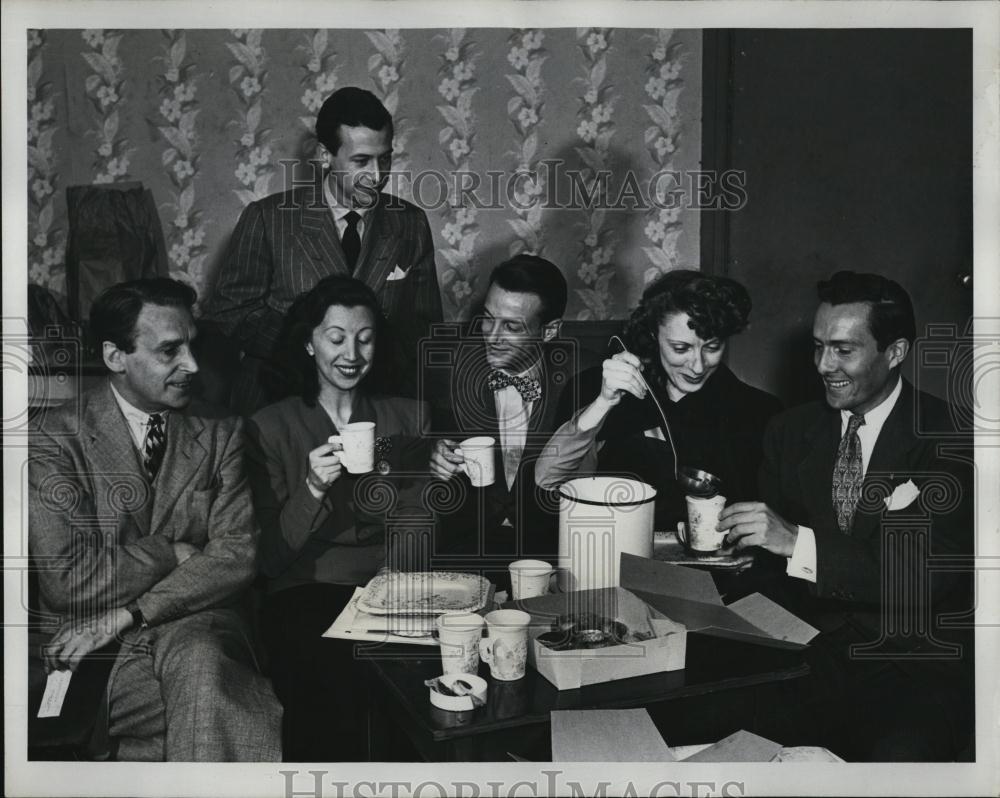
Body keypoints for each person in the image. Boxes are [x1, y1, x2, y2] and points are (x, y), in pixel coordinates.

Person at [717, 271, 974, 761]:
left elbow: (921, 575)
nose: (822, 365)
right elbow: (770, 575)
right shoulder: (788, 431)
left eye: (842, 350)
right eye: (817, 347)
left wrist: (797, 543)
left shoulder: (954, 437)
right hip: (807, 659)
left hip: (912, 670)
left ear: (895, 352)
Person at [28, 278, 282, 762]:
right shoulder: (53, 439)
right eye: (171, 351)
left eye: (193, 345)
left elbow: (236, 557)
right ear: (114, 356)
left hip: (198, 624)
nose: (192, 365)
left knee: (204, 667)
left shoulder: (222, 431)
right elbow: (66, 581)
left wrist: (131, 611)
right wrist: (172, 551)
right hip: (94, 650)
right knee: (215, 701)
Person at [244, 275, 430, 762]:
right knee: (334, 676)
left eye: (365, 339)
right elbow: (269, 560)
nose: (352, 353)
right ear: (309, 343)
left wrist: (395, 583)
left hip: (393, 585)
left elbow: (415, 521)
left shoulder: (410, 417)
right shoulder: (270, 426)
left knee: (419, 678)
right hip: (306, 588)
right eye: (336, 338)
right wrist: (311, 488)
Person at [205, 86, 443, 414]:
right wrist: (305, 346)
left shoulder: (410, 224)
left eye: (384, 158)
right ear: (323, 155)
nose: (376, 176)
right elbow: (229, 314)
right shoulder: (268, 218)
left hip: (374, 407)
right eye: (361, 160)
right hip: (277, 401)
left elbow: (424, 328)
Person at [535, 269, 782, 530]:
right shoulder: (592, 389)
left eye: (712, 347)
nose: (697, 366)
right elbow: (548, 480)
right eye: (680, 348)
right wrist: (603, 403)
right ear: (654, 333)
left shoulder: (760, 412)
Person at [427, 255, 573, 589]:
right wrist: (429, 453)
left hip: (553, 557)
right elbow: (394, 441)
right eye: (488, 319)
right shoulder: (446, 374)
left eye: (511, 327)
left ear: (549, 331)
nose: (492, 337)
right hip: (463, 554)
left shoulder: (580, 382)